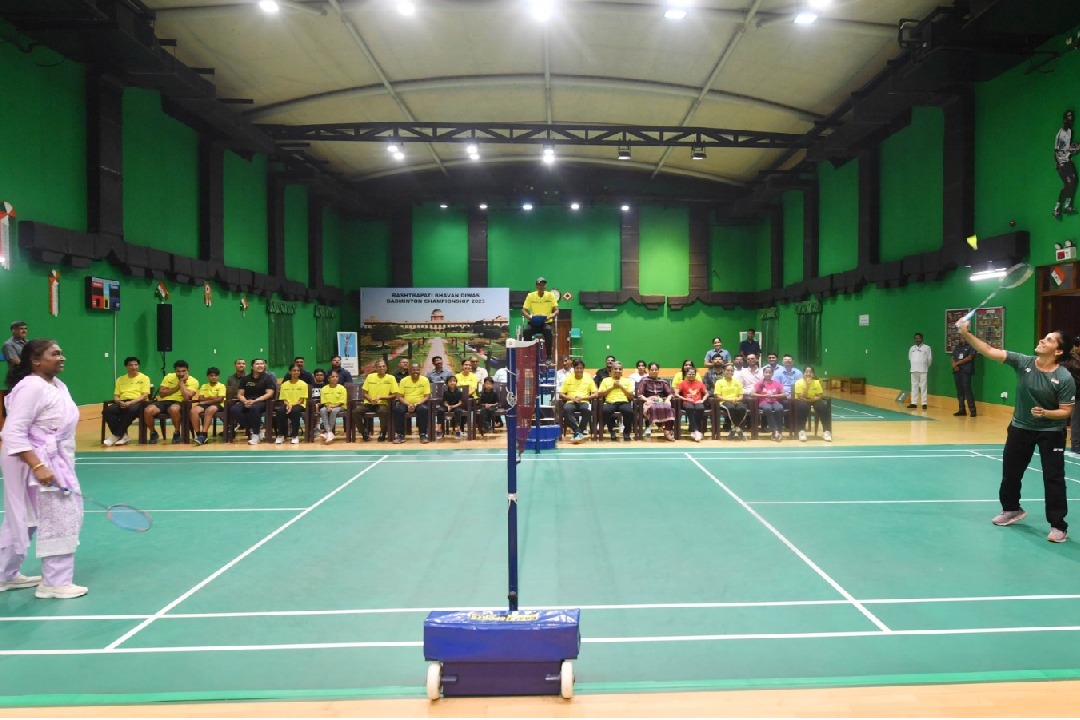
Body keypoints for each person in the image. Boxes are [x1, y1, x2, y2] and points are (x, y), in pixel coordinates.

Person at [958, 320, 1079, 543]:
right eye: (1045, 337)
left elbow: (1065, 411)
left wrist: (1046, 413)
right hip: (1020, 428)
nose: (1043, 340)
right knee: (1011, 472)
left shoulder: (1064, 378)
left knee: (1054, 478)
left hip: (1051, 431)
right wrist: (966, 333)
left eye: (1050, 339)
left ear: (1059, 351)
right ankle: (1012, 509)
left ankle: (1058, 526)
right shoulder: (1024, 362)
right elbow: (989, 350)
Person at [0, 339, 87, 599]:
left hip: (54, 460)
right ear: (35, 361)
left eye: (61, 352)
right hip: (35, 462)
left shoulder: (57, 385)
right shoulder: (31, 387)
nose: (62, 357)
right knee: (60, 518)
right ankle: (55, 582)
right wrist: (38, 466)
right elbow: (12, 432)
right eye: (55, 353)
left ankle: (4, 574)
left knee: (24, 519)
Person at [144, 360, 198, 444]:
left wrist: (181, 383)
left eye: (183, 371)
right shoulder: (168, 377)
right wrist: (177, 387)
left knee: (173, 409)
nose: (181, 373)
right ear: (175, 370)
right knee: (148, 410)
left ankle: (176, 433)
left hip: (179, 402)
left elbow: (187, 397)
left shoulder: (194, 381)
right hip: (164, 402)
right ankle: (153, 432)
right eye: (178, 371)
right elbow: (162, 393)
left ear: (188, 370)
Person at [102, 356, 151, 446]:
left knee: (131, 409)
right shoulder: (120, 379)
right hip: (123, 402)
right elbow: (116, 395)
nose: (133, 367)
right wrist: (119, 401)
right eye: (130, 365)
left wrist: (130, 403)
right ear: (126, 367)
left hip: (138, 402)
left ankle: (116, 435)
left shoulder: (144, 378)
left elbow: (144, 395)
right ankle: (123, 435)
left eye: (136, 365)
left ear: (138, 366)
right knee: (107, 411)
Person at [230, 358, 276, 445]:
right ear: (252, 366)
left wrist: (255, 401)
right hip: (247, 401)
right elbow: (240, 394)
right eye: (257, 364)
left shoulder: (268, 378)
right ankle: (255, 429)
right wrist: (245, 401)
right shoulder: (245, 379)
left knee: (254, 408)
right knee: (234, 410)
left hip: (262, 401)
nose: (260, 365)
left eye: (262, 364)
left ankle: (255, 435)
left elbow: (269, 394)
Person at [357, 358, 398, 441]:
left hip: (383, 403)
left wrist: (380, 397)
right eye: (379, 367)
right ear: (375, 368)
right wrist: (371, 399)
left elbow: (394, 395)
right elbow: (364, 393)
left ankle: (383, 432)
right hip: (369, 403)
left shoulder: (391, 378)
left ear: (386, 367)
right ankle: (363, 431)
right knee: (355, 411)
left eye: (383, 366)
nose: (382, 368)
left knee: (382, 411)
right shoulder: (370, 377)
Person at [559, 359, 596, 443]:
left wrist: (582, 398)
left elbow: (595, 394)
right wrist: (572, 398)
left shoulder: (588, 378)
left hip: (584, 401)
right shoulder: (568, 378)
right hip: (571, 401)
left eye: (581, 368)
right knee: (566, 409)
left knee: (587, 410)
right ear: (573, 368)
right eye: (577, 368)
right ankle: (578, 430)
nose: (579, 370)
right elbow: (561, 394)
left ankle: (578, 431)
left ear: (583, 368)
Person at [597, 361, 635, 441]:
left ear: (622, 370)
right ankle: (612, 431)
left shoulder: (627, 381)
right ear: (611, 370)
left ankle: (626, 432)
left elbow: (631, 395)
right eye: (615, 369)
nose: (618, 371)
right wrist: (612, 387)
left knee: (629, 411)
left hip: (623, 402)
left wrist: (621, 387)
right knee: (605, 411)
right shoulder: (605, 380)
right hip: (610, 402)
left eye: (620, 369)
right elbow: (600, 394)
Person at [792, 366, 832, 442]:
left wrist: (811, 400)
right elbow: (801, 397)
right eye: (806, 372)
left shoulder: (817, 382)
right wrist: (807, 385)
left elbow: (819, 396)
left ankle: (826, 431)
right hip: (803, 401)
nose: (808, 374)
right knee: (803, 407)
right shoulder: (798, 383)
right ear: (803, 373)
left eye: (810, 372)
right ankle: (801, 431)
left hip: (814, 400)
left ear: (813, 374)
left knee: (823, 407)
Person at [394, 362, 431, 443]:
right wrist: (408, 404)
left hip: (419, 404)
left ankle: (423, 434)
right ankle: (400, 435)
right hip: (406, 403)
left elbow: (426, 396)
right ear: (410, 371)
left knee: (423, 409)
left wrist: (415, 404)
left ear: (420, 371)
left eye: (417, 370)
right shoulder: (404, 380)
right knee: (398, 410)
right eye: (413, 370)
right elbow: (400, 396)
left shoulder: (425, 380)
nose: (415, 372)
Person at [638, 362, 676, 441]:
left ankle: (667, 431)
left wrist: (668, 399)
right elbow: (640, 394)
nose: (654, 371)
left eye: (656, 370)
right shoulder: (644, 380)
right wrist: (646, 400)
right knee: (653, 408)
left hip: (660, 400)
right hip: (648, 400)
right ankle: (660, 426)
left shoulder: (662, 381)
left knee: (669, 409)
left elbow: (670, 393)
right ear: (649, 370)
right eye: (652, 370)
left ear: (658, 370)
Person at [274, 364, 309, 444]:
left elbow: (302, 399)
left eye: (298, 371)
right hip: (287, 404)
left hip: (299, 405)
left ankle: (295, 435)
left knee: (295, 411)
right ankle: (281, 435)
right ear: (290, 372)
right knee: (280, 411)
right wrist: (288, 405)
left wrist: (292, 406)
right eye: (294, 370)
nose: (296, 372)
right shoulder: (284, 384)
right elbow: (284, 399)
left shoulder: (303, 384)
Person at [522, 277, 559, 352]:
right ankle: (528, 354)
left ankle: (548, 356)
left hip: (546, 322)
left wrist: (550, 316)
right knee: (526, 331)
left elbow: (557, 310)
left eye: (543, 284)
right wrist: (529, 317)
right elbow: (523, 310)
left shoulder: (551, 295)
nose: (541, 286)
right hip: (533, 322)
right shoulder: (530, 296)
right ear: (536, 286)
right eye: (539, 285)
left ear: (545, 286)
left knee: (548, 330)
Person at [191, 367, 226, 445]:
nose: (213, 377)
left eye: (215, 375)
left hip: (218, 405)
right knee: (193, 410)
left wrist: (206, 400)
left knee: (209, 410)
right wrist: (211, 398)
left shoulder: (221, 386)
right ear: (208, 376)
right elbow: (200, 398)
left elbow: (219, 399)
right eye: (211, 375)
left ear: (218, 377)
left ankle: (204, 434)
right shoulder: (204, 386)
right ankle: (199, 434)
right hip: (205, 404)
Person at [1054, 109, 1078, 220]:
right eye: (1068, 117)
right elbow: (1057, 151)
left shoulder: (1069, 131)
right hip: (1062, 162)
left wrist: (1073, 149)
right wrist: (1059, 164)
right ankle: (1056, 209)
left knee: (1074, 181)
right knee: (1068, 184)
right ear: (1064, 119)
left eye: (1071, 117)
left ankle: (1068, 206)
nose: (1070, 118)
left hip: (1067, 161)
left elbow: (1067, 149)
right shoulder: (1062, 134)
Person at [714, 363, 748, 440]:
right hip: (724, 401)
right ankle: (737, 428)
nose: (729, 372)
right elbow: (717, 395)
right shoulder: (719, 382)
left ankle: (734, 428)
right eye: (727, 370)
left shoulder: (737, 382)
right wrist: (730, 400)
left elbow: (741, 396)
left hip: (736, 401)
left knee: (742, 408)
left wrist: (737, 399)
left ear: (733, 372)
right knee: (731, 408)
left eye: (731, 371)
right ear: (723, 371)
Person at [754, 365, 786, 442]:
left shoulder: (776, 383)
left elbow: (784, 394)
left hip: (775, 401)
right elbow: (752, 394)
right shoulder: (760, 383)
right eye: (766, 372)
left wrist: (774, 395)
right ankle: (775, 430)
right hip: (763, 402)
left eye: (770, 372)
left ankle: (777, 431)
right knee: (768, 408)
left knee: (780, 408)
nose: (768, 374)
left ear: (772, 374)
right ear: (763, 373)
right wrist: (764, 395)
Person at [677, 365, 709, 442]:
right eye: (689, 374)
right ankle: (697, 430)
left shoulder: (700, 383)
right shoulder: (682, 383)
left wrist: (702, 400)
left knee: (700, 408)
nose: (691, 375)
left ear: (695, 374)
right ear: (686, 374)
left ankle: (693, 430)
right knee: (689, 408)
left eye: (693, 374)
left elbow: (706, 394)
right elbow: (676, 394)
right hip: (687, 402)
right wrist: (684, 398)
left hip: (698, 401)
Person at [319, 370, 347, 443]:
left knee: (333, 411)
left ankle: (327, 432)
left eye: (336, 377)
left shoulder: (342, 388)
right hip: (328, 406)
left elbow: (342, 402)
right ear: (328, 379)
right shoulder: (324, 388)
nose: (335, 378)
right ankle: (329, 433)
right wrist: (328, 406)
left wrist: (332, 407)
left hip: (340, 407)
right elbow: (324, 401)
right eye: (333, 377)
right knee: (322, 410)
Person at [952, 338, 977, 417]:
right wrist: (954, 365)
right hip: (957, 371)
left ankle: (972, 410)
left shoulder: (971, 346)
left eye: (964, 336)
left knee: (967, 389)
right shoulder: (957, 347)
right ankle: (961, 409)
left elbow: (969, 357)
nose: (962, 338)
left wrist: (957, 363)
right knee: (959, 391)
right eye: (961, 336)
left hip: (966, 371)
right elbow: (953, 357)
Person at [907, 332, 932, 409]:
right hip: (913, 369)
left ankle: (924, 403)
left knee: (923, 386)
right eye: (916, 338)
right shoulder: (912, 348)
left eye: (918, 338)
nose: (917, 340)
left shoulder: (927, 348)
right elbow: (910, 358)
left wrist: (925, 366)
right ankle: (913, 403)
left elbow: (929, 359)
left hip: (923, 370)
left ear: (922, 339)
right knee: (914, 386)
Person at [440, 375, 467, 439]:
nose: (452, 383)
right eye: (450, 381)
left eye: (454, 381)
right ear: (447, 383)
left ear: (456, 382)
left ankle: (458, 431)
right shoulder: (446, 392)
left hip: (456, 407)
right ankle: (439, 430)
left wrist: (454, 406)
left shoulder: (459, 391)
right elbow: (445, 402)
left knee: (458, 411)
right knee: (440, 410)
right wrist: (448, 406)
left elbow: (460, 402)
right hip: (448, 407)